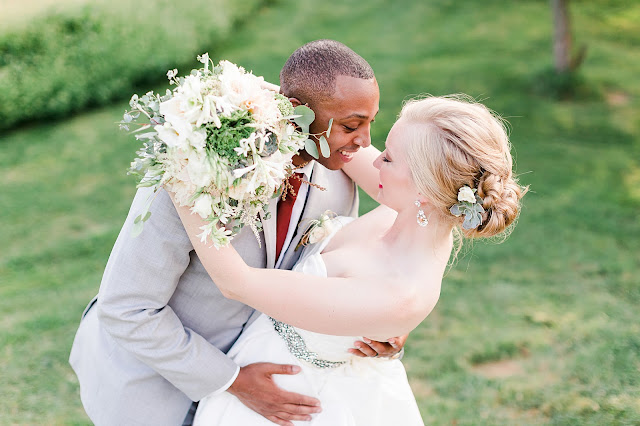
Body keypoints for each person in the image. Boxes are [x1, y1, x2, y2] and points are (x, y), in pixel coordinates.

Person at [69, 40, 406, 426]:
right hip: (146, 384)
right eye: (350, 125)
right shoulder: (191, 171)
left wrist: (376, 325)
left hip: (255, 381)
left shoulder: (340, 175)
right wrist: (231, 380)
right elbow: (127, 307)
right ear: (300, 112)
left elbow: (325, 275)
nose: (365, 142)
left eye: (370, 123)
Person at [171, 95, 527, 425]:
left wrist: (183, 177)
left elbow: (236, 282)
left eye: (388, 158)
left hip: (292, 397)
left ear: (425, 188)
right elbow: (340, 143)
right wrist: (242, 97)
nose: (373, 158)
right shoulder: (421, 214)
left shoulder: (399, 293)